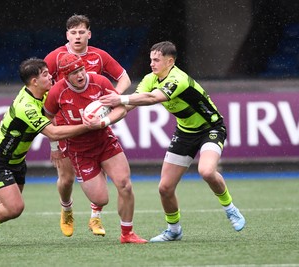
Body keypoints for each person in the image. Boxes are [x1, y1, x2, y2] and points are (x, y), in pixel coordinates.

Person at [99, 41, 246, 242]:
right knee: (165, 188)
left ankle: (230, 208)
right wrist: (104, 119)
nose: (151, 64)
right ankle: (174, 230)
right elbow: (131, 103)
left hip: (211, 128)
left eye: (156, 60)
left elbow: (152, 98)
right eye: (151, 59)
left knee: (206, 171)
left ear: (170, 61)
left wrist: (120, 99)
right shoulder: (151, 78)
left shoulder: (178, 78)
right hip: (185, 133)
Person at [0, 58, 98, 246]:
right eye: (45, 74)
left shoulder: (42, 93)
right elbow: (52, 131)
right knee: (15, 207)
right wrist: (87, 126)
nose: (50, 76)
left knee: (9, 201)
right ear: (34, 81)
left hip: (16, 161)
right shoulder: (26, 107)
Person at [44, 53, 147, 244]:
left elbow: (121, 108)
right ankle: (67, 208)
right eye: (74, 73)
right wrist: (54, 146)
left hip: (105, 141)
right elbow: (48, 119)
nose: (80, 75)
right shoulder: (57, 92)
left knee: (124, 184)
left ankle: (127, 233)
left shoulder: (100, 82)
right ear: (66, 76)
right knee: (100, 199)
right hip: (79, 150)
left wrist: (103, 122)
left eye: (81, 69)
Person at [44, 14, 131, 237]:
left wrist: (110, 100)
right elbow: (42, 91)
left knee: (108, 171)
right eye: (73, 32)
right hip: (66, 128)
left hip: (96, 120)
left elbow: (124, 78)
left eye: (82, 32)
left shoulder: (98, 57)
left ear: (89, 34)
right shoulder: (56, 58)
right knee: (66, 178)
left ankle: (95, 217)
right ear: (67, 35)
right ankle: (66, 209)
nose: (77, 36)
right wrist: (54, 143)